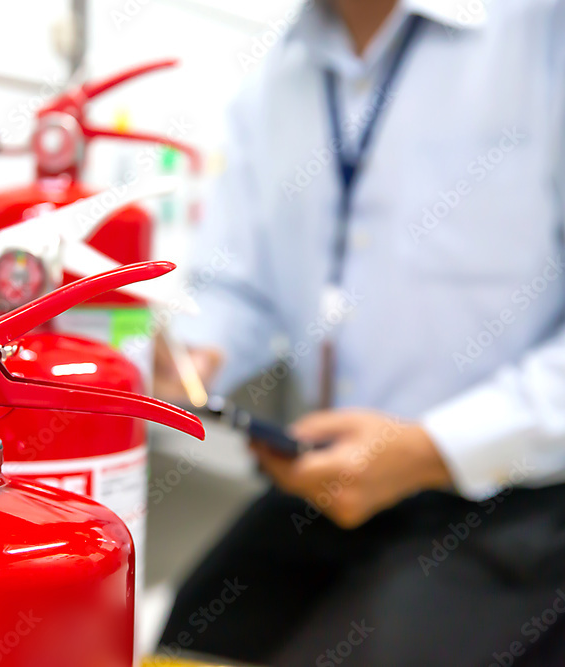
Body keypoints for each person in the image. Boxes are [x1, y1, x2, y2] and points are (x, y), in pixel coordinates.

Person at [158, 0, 565, 665]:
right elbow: (237, 286)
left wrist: (430, 448)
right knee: (184, 641)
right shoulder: (280, 71)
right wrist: (193, 357)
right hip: (331, 481)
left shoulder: (541, 32)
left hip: (512, 499)